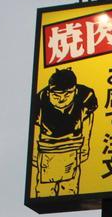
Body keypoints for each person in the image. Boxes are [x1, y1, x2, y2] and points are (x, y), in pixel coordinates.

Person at [33, 67, 97, 196]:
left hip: (72, 148)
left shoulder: (85, 96)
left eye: (67, 94)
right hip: (47, 150)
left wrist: (85, 147)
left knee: (69, 188)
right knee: (45, 190)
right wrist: (34, 153)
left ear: (75, 91)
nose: (62, 99)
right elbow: (35, 127)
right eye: (56, 95)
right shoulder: (40, 99)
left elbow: (87, 122)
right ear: (49, 92)